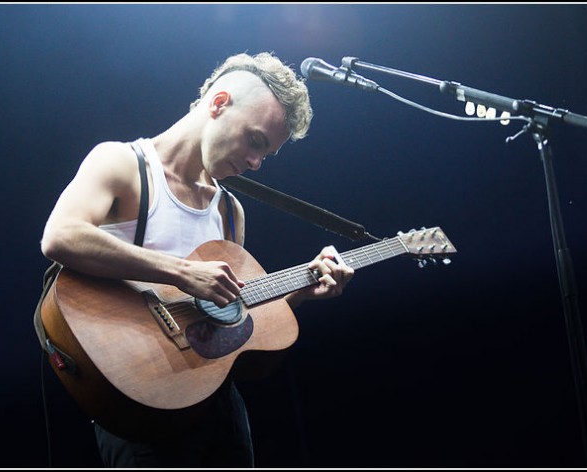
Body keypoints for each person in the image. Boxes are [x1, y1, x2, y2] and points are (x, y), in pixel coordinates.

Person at [40, 51, 354, 467]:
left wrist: (299, 292)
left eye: (266, 154)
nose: (255, 163)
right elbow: (60, 236)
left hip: (213, 404)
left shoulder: (230, 211)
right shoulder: (123, 164)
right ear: (219, 103)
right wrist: (183, 272)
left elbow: (230, 319)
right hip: (137, 402)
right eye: (255, 141)